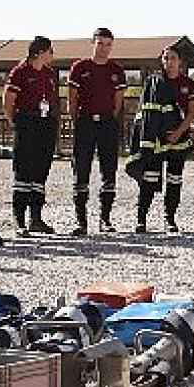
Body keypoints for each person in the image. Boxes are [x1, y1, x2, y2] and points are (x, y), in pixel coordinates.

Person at [67, 27, 125, 235]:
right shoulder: (79, 67)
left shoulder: (116, 70)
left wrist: (110, 118)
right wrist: (79, 120)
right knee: (81, 170)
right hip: (85, 123)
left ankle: (105, 219)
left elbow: (118, 101)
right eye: (100, 43)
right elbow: (72, 99)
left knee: (109, 170)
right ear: (93, 43)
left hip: (107, 124)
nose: (104, 48)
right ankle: (81, 222)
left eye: (108, 44)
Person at [4, 36, 59, 236]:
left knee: (40, 172)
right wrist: (15, 122)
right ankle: (19, 219)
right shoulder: (20, 72)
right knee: (23, 172)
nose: (52, 55)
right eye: (50, 51)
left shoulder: (50, 74)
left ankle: (36, 218)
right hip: (27, 123)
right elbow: (9, 99)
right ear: (39, 52)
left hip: (45, 124)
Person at [158, 46, 194, 233]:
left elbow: (191, 113)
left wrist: (178, 133)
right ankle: (141, 218)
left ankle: (170, 217)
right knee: (150, 178)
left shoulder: (188, 84)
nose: (169, 62)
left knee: (174, 178)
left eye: (173, 58)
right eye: (166, 58)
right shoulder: (155, 82)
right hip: (156, 139)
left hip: (179, 138)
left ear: (180, 61)